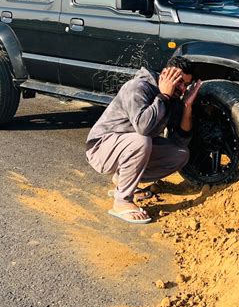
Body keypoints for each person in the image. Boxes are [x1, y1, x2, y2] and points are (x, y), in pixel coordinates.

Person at [85, 56, 202, 224]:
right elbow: (143, 127)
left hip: (129, 148)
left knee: (180, 154)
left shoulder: (173, 98)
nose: (182, 88)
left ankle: (123, 180)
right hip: (100, 148)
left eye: (186, 85)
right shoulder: (138, 87)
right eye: (179, 81)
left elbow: (181, 141)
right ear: (165, 74)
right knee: (142, 141)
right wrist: (163, 96)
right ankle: (122, 201)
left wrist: (187, 107)